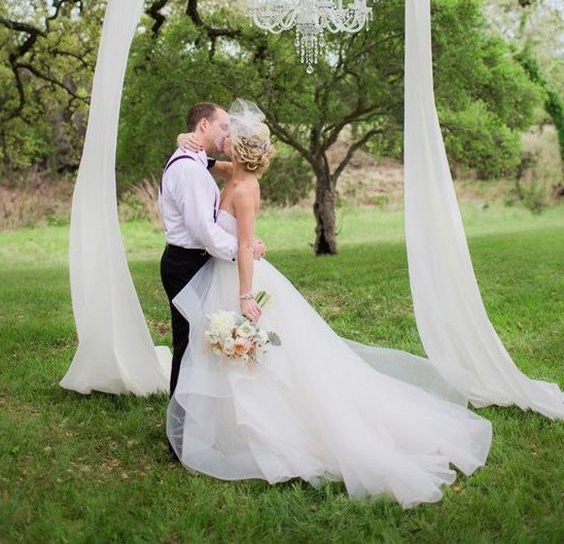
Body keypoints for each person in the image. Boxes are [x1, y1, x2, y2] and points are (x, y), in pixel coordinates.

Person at [167, 99, 492, 507]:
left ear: (241, 151)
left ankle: (254, 430)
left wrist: (245, 296)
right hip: (222, 268)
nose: (225, 139)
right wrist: (190, 146)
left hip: (238, 275)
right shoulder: (233, 173)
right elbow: (208, 166)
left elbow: (246, 245)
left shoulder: (245, 188)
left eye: (232, 137)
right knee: (224, 356)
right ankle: (218, 424)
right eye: (224, 132)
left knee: (254, 358)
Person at [159, 101, 265, 400]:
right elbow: (203, 231)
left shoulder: (199, 162)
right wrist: (245, 249)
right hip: (186, 263)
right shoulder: (189, 170)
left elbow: (231, 168)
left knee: (199, 343)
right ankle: (180, 428)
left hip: (201, 262)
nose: (227, 134)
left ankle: (199, 416)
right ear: (203, 125)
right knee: (189, 344)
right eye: (223, 127)